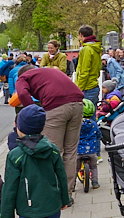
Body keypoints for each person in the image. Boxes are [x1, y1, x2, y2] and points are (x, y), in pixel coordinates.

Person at [16, 66, 84, 196]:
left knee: (54, 151)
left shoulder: (23, 77)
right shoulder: (50, 71)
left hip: (56, 107)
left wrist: (33, 113)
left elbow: (23, 93)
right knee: (70, 151)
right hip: (78, 104)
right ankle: (68, 193)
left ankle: (56, 194)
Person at [73, 25, 105, 104]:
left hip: (86, 88)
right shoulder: (96, 47)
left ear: (81, 34)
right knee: (92, 113)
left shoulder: (86, 49)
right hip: (93, 85)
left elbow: (84, 71)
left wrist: (78, 89)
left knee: (85, 114)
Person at [77, 99, 100, 185]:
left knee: (75, 168)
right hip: (92, 150)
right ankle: (95, 182)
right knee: (93, 167)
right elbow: (98, 134)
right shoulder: (93, 124)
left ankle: (72, 185)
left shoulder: (77, 124)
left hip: (79, 151)